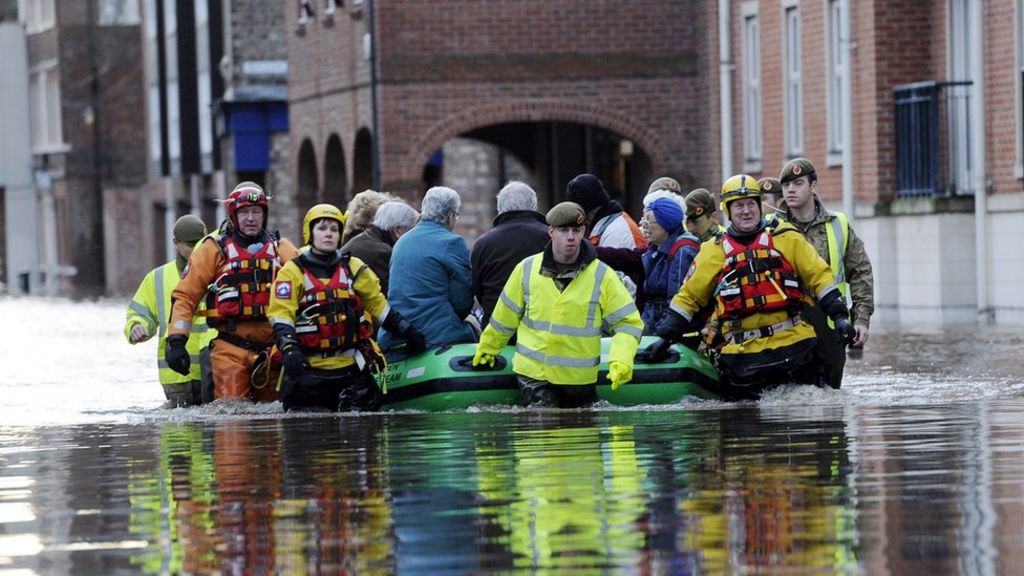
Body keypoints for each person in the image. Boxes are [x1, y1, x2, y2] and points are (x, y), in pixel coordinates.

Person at [647, 175, 855, 397]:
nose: (746, 211)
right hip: (741, 355)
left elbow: (819, 277)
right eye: (738, 206)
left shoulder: (785, 237)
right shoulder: (713, 251)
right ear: (728, 211)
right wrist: (665, 337)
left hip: (794, 345)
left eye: (750, 204)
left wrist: (839, 315)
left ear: (759, 206)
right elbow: (688, 297)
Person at [473, 202, 644, 408]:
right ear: (551, 231)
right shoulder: (526, 269)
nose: (571, 237)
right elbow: (504, 318)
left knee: (583, 435)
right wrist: (488, 347)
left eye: (576, 230)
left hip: (579, 378)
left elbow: (627, 323)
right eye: (564, 230)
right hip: (535, 374)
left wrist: (621, 358)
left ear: (583, 232)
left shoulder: (602, 275)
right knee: (539, 431)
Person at [268, 204, 425, 412]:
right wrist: (289, 348)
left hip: (351, 372)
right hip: (310, 372)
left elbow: (378, 306)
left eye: (334, 229)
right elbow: (281, 314)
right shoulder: (292, 272)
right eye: (322, 228)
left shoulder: (354, 268)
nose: (328, 234)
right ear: (309, 232)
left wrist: (407, 330)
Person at [165, 182, 300, 402]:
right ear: (233, 215)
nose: (250, 218)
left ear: (264, 215)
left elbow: (308, 290)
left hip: (273, 350)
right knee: (232, 419)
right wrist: (177, 341)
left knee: (274, 422)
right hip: (230, 349)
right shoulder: (213, 250)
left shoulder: (281, 250)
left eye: (256, 212)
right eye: (244, 212)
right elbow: (185, 296)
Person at [775, 158, 874, 388]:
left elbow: (860, 272)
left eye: (798, 183)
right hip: (785, 325)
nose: (790, 189)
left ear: (813, 185)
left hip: (831, 325)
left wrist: (861, 319)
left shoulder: (838, 224)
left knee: (830, 396)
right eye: (786, 184)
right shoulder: (771, 228)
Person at [124, 215, 216, 407]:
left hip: (212, 371)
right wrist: (137, 327)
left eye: (201, 244)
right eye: (191, 245)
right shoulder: (157, 277)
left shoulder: (218, 272)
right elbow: (140, 312)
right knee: (178, 435)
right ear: (176, 243)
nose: (197, 250)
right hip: (175, 376)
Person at [378, 186, 475, 352]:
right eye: (456, 215)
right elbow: (463, 302)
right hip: (437, 336)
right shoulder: (452, 243)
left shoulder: (401, 241)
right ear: (451, 216)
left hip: (396, 334)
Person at [471, 181, 550, 326]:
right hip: (543, 327)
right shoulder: (550, 238)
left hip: (497, 328)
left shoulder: (483, 244)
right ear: (534, 207)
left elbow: (478, 290)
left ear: (500, 209)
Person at [637, 198, 701, 334]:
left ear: (666, 224)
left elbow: (675, 302)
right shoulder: (654, 250)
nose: (643, 224)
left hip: (669, 335)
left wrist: (659, 338)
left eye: (649, 220)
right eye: (644, 219)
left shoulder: (683, 251)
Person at [340, 200, 419, 295]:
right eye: (413, 230)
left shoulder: (362, 238)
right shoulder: (383, 253)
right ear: (398, 230)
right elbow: (395, 294)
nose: (415, 236)